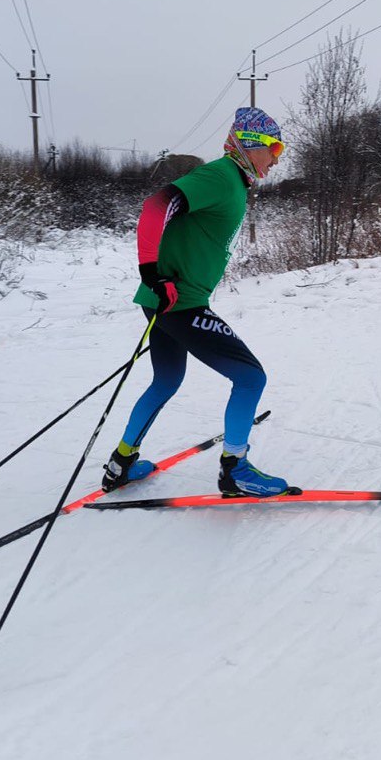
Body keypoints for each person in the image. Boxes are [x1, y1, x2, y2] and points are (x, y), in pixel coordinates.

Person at [100, 107, 291, 498]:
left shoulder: (235, 183)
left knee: (167, 380)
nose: (276, 158)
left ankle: (122, 464)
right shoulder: (220, 176)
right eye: (274, 147)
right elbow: (155, 207)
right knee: (251, 377)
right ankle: (235, 470)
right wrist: (152, 272)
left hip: (167, 301)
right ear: (250, 144)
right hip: (178, 301)